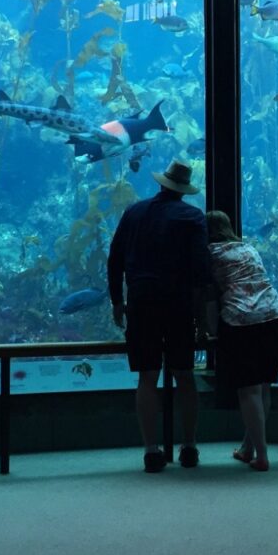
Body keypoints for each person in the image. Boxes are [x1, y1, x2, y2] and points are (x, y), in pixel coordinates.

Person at [108, 160, 210, 473]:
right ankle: (189, 446)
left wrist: (117, 301)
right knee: (184, 374)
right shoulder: (192, 217)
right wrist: (203, 318)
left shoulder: (134, 213)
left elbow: (115, 259)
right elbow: (200, 271)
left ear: (162, 183)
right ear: (183, 189)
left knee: (147, 377)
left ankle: (151, 451)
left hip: (141, 302)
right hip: (178, 305)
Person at [205, 210, 278, 472]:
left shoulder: (209, 254)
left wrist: (211, 331)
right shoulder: (248, 248)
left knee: (249, 390)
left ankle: (262, 455)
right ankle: (248, 448)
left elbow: (208, 297)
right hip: (276, 317)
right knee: (263, 388)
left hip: (243, 321)